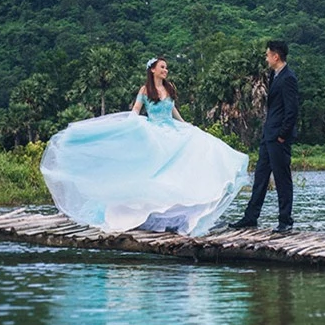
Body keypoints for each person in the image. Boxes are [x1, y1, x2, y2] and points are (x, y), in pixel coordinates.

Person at [40, 57, 249, 236]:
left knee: (191, 158)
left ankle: (180, 216)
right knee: (156, 173)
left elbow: (173, 111)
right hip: (155, 132)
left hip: (173, 131)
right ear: (153, 70)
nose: (165, 70)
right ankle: (147, 215)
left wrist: (186, 125)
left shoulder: (169, 88)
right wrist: (129, 126)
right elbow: (136, 111)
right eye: (162, 67)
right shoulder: (145, 89)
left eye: (166, 68)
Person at [231, 40, 299, 233]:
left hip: (279, 137)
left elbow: (292, 111)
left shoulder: (288, 78)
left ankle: (285, 220)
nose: (266, 57)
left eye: (268, 54)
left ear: (276, 56)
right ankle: (251, 217)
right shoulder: (273, 75)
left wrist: (282, 135)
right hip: (268, 135)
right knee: (260, 176)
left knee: (282, 178)